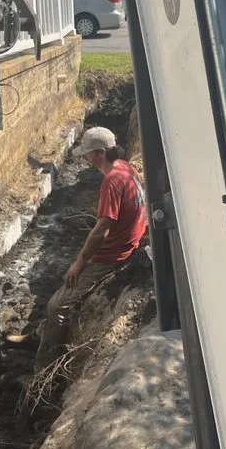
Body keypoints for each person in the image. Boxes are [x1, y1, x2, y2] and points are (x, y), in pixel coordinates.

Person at [33, 126, 146, 371]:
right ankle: (41, 336)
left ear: (101, 153)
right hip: (127, 242)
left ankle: (44, 369)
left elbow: (101, 229)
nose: (84, 158)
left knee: (56, 306)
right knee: (59, 288)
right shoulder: (126, 168)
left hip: (113, 254)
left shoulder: (112, 182)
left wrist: (80, 263)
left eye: (88, 154)